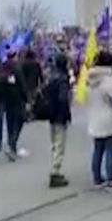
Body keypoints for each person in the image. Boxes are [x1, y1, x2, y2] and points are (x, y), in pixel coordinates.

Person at [86, 51, 112, 189]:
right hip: (109, 120)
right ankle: (111, 179)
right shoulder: (108, 80)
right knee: (110, 151)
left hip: (95, 120)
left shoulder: (90, 80)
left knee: (97, 150)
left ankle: (97, 178)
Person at [45, 54, 72, 188]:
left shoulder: (51, 76)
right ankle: (55, 172)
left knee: (54, 143)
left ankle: (55, 170)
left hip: (51, 115)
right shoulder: (62, 79)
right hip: (59, 116)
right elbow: (63, 99)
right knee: (60, 145)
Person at [1, 51, 28, 162]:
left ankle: (11, 146)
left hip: (7, 100)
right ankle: (12, 145)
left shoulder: (3, 69)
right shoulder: (17, 68)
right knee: (19, 122)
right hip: (17, 99)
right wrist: (26, 98)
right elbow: (22, 84)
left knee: (10, 123)